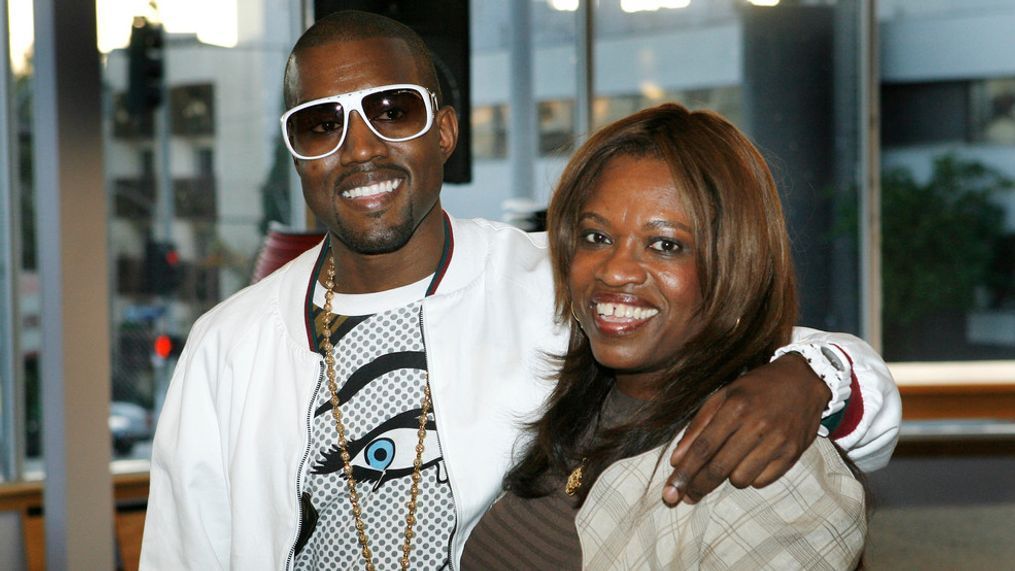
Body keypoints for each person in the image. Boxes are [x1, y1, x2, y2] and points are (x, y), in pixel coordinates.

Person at [140, 10, 899, 570]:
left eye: (391, 109)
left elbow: (736, 335)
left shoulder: (556, 279)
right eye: (318, 126)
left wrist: (810, 376)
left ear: (443, 132)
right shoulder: (227, 345)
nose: (359, 148)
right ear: (297, 155)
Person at [463, 103, 868, 570]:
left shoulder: (762, 463)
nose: (615, 270)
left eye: (665, 245)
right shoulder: (583, 397)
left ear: (734, 268)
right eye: (596, 237)